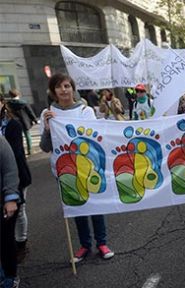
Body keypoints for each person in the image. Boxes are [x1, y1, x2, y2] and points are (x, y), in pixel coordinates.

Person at [39, 73, 115, 263]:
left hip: (87, 167)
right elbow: (45, 147)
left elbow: (92, 139)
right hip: (64, 170)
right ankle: (84, 245)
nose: (63, 90)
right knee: (77, 208)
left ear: (72, 88)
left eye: (66, 86)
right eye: (59, 87)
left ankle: (102, 242)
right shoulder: (47, 113)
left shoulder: (85, 111)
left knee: (95, 204)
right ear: (53, 91)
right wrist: (48, 129)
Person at [1, 98, 31, 265]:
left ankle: (21, 242)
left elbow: (16, 153)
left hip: (17, 175)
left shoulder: (13, 125)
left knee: (19, 210)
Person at [0, 135, 20, 288]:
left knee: (5, 241)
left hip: (3, 201)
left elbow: (10, 170)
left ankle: (10, 276)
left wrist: (10, 198)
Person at [5, 89, 37, 155]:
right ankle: (29, 149)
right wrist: (34, 119)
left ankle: (21, 151)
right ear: (18, 94)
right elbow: (29, 112)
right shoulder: (24, 103)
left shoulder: (8, 104)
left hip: (14, 122)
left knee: (18, 137)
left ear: (10, 95)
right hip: (24, 121)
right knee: (27, 135)